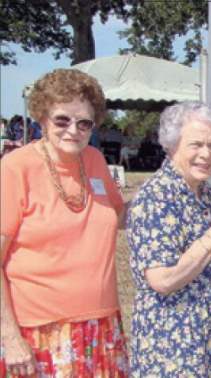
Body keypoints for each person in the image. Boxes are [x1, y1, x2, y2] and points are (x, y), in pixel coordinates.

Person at [0, 69, 128, 377]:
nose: (74, 130)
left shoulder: (95, 160)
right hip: (39, 334)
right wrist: (9, 338)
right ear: (42, 117)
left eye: (84, 123)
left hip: (102, 328)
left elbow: (121, 215)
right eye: (62, 120)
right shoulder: (15, 169)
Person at [126, 101, 211, 377]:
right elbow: (162, 280)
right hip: (174, 343)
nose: (206, 154)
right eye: (196, 144)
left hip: (210, 336)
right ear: (172, 145)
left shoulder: (202, 193)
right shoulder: (156, 198)